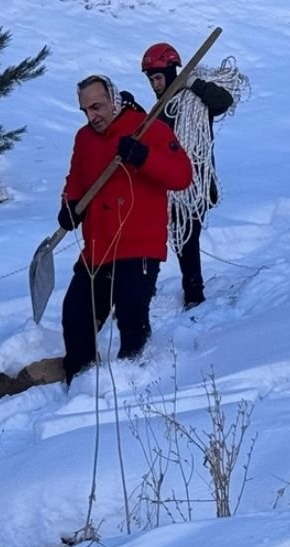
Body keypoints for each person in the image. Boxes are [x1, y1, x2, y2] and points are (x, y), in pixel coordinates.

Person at [57, 75, 191, 386]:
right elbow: (75, 180)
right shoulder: (84, 138)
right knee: (76, 316)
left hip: (138, 246)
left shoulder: (149, 128)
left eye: (97, 106)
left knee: (131, 316)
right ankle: (81, 383)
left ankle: (133, 381)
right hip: (97, 249)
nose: (93, 116)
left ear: (114, 100)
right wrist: (70, 205)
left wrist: (144, 157)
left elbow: (182, 175)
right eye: (85, 110)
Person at [141, 42, 234, 309]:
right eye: (151, 80)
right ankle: (146, 289)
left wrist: (193, 83)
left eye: (158, 78)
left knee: (187, 236)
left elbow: (223, 101)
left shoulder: (196, 101)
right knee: (155, 235)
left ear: (172, 73)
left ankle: (194, 292)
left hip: (196, 183)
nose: (155, 85)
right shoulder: (159, 112)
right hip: (166, 183)